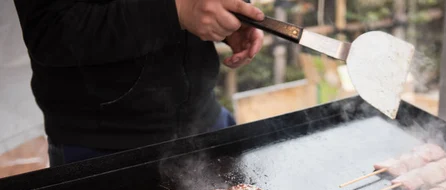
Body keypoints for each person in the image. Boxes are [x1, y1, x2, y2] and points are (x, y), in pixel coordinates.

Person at [12, 0, 265, 166]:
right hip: (103, 147)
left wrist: (233, 16)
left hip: (206, 120)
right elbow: (50, 32)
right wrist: (175, 12)